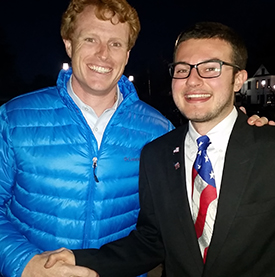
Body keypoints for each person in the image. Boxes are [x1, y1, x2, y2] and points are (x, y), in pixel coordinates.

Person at [45, 21, 275, 277]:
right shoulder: (157, 153)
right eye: (182, 70)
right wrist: (79, 260)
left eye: (211, 69)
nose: (193, 81)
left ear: (238, 79)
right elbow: (151, 242)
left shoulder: (269, 148)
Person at [0, 0, 176, 276]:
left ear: (128, 54)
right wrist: (25, 264)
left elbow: (168, 220)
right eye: (90, 39)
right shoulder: (14, 118)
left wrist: (250, 134)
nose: (103, 54)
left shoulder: (159, 129)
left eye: (116, 44)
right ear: (69, 44)